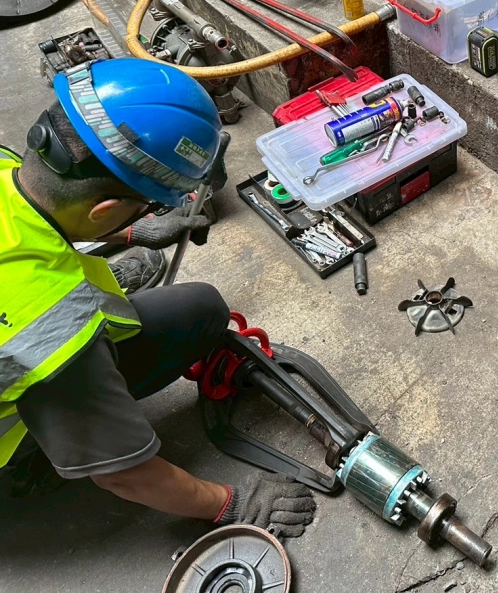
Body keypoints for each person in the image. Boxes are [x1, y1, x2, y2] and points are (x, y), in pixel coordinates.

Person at [0, 58, 315, 537]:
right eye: (146, 207)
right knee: (83, 402)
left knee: (200, 310)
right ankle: (29, 466)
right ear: (104, 209)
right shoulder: (46, 330)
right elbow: (124, 475)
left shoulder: (17, 169)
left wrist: (130, 232)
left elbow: (45, 211)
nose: (148, 215)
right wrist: (230, 504)